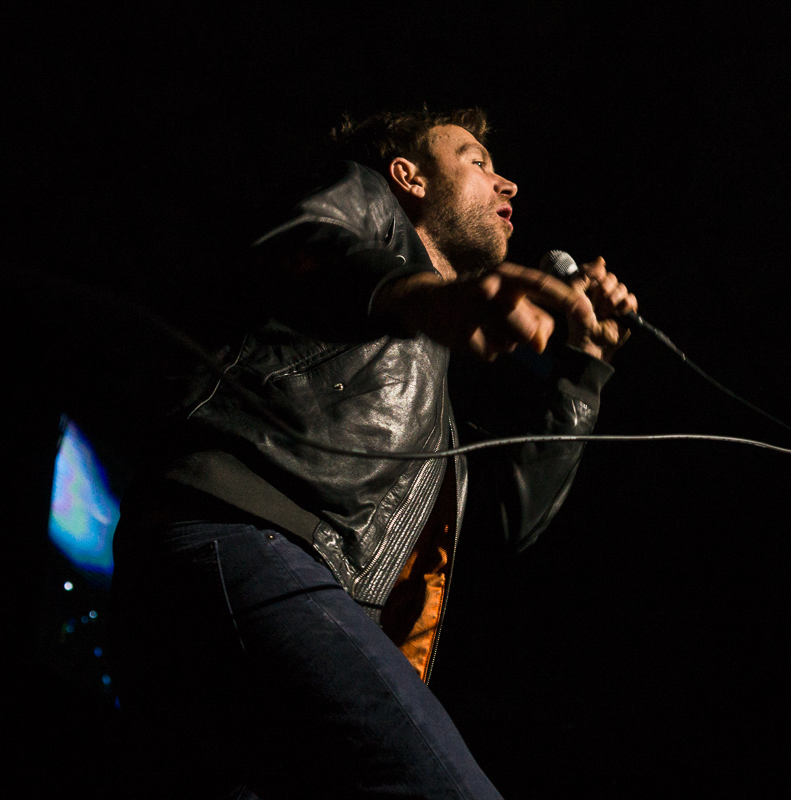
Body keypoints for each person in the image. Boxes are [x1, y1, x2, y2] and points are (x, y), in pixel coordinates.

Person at [110, 107, 638, 799]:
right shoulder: (361, 199)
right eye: (477, 162)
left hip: (278, 598)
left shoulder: (432, 412)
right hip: (238, 535)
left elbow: (507, 516)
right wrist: (421, 295)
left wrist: (585, 368)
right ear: (409, 177)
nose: (507, 183)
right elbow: (301, 243)